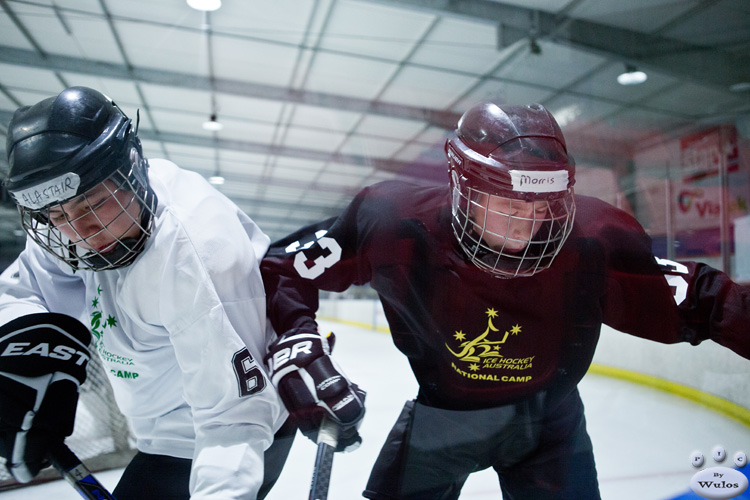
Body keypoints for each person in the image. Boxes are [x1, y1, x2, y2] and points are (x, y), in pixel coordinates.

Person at [260, 101, 750, 500]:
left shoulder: (595, 239)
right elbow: (286, 264)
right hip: (443, 420)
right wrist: (296, 336)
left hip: (549, 427)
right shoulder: (393, 223)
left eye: (542, 206)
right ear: (462, 187)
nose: (526, 224)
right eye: (509, 204)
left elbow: (703, 300)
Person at [0, 86, 294, 499]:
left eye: (91, 204)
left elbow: (234, 420)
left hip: (232, 428)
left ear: (131, 168)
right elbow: (24, 290)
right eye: (55, 215)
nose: (79, 231)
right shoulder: (68, 213)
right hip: (161, 425)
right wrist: (28, 356)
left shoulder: (196, 248)